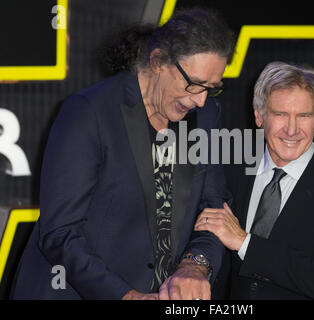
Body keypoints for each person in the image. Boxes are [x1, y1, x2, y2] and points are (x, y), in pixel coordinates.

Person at [11, 8, 234, 300]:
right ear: (157, 62)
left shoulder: (206, 116)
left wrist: (195, 265)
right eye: (193, 83)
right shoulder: (89, 112)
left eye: (212, 88)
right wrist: (126, 296)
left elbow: (214, 208)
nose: (201, 100)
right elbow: (60, 234)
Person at [195, 62, 314, 299]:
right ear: (259, 116)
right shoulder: (230, 163)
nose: (292, 129)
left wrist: (244, 242)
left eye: (303, 116)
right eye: (280, 114)